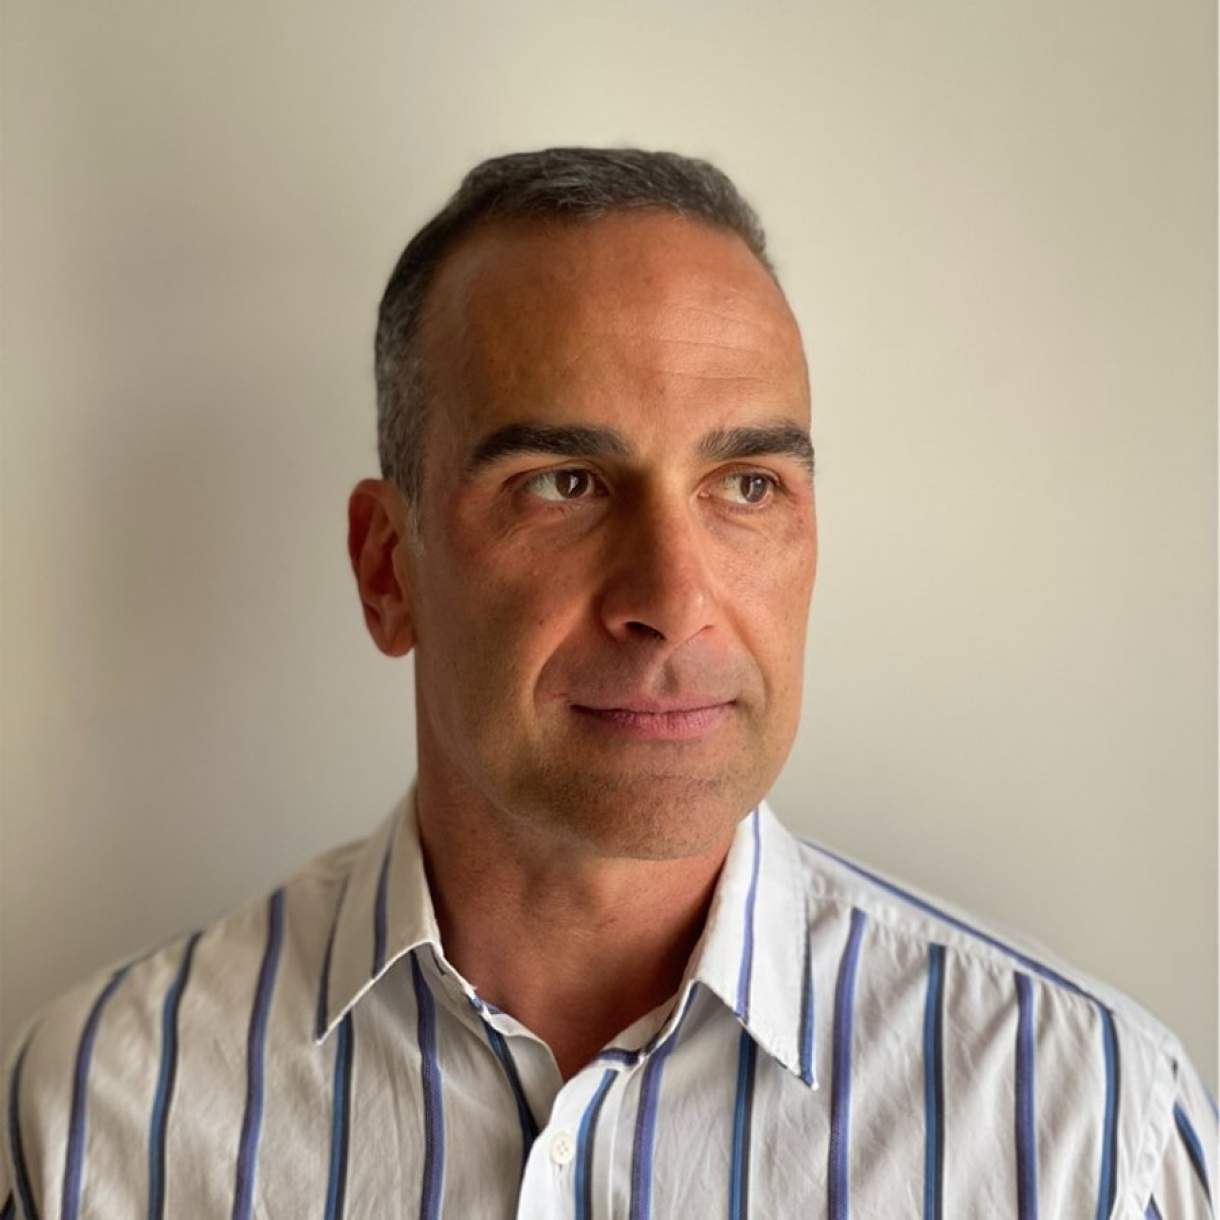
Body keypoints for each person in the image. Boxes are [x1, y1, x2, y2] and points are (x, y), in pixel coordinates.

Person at [1, 147, 1213, 1220]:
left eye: (747, 484)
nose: (672, 598)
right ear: (386, 569)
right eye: (561, 482)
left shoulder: (1085, 1123)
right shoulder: (104, 1108)